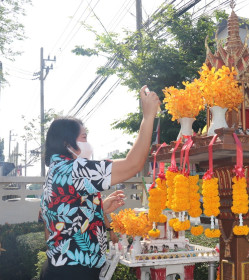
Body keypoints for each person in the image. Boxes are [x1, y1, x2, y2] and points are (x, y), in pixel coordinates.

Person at [39, 85, 160, 280]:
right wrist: (148, 117)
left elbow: (56, 222)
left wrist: (100, 208)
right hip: (73, 273)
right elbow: (133, 164)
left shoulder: (56, 171)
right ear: (67, 144)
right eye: (84, 137)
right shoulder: (73, 170)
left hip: (60, 268)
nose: (88, 143)